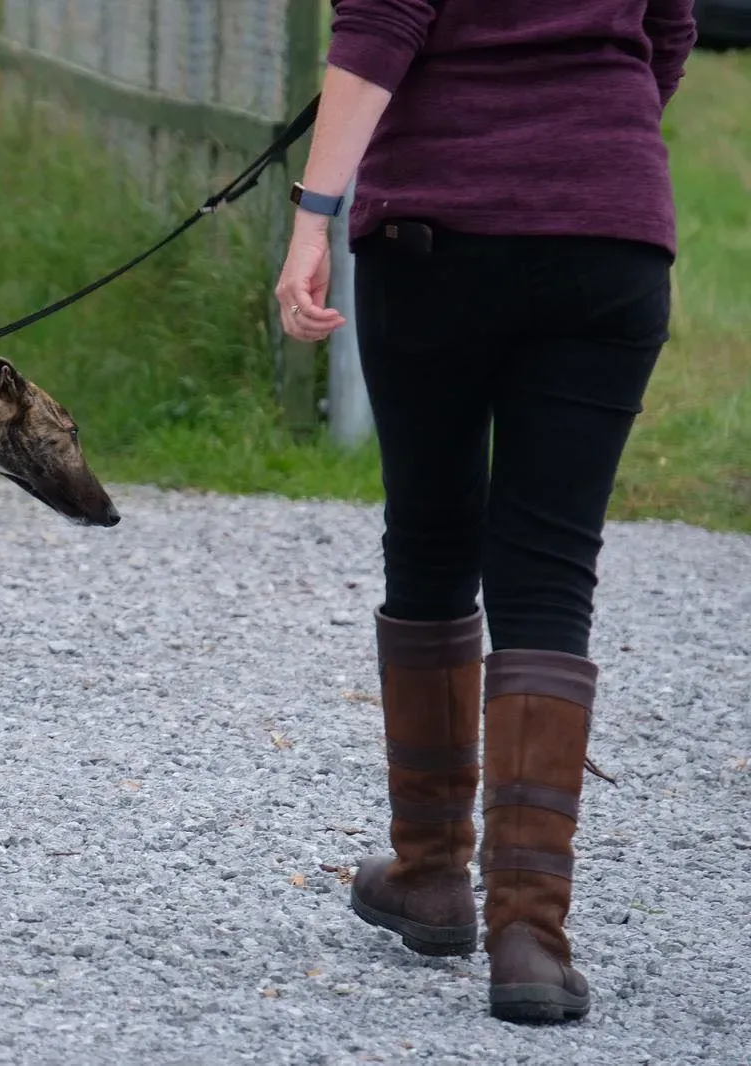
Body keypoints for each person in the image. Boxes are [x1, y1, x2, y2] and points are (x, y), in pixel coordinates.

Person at [273, 0, 697, 1025]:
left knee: (429, 533)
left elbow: (381, 25)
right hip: (610, 232)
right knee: (551, 565)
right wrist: (588, 144)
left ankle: (430, 873)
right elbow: (671, 31)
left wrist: (310, 215)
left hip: (441, 231)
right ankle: (528, 938)